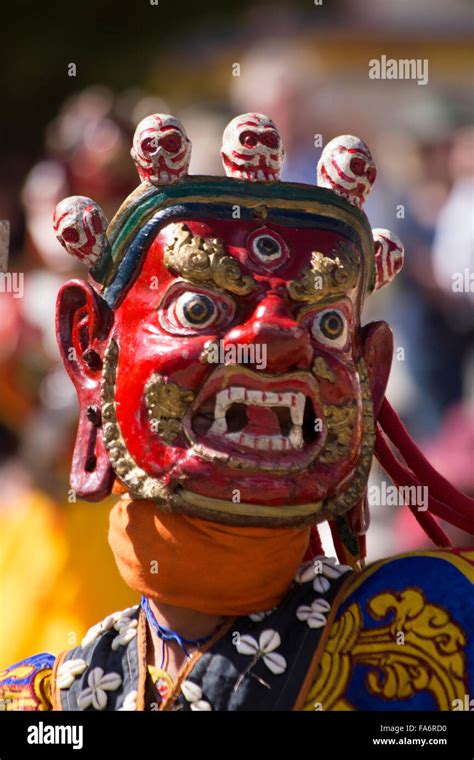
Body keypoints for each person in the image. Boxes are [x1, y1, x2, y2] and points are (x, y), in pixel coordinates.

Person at [1, 112, 472, 712]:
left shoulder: (449, 628)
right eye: (199, 309)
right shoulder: (37, 703)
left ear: (369, 373)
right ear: (92, 353)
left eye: (327, 324)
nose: (278, 343)